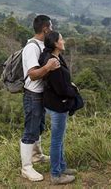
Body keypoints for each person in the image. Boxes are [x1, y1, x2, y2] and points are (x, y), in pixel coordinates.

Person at [20, 15, 60, 182]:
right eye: (50, 27)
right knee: (30, 129)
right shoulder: (32, 48)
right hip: (32, 95)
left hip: (41, 94)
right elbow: (33, 74)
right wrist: (48, 66)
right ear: (45, 28)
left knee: (39, 126)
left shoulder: (42, 45)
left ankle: (37, 155)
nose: (52, 29)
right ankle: (26, 167)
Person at [39, 31, 78, 185]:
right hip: (58, 105)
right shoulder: (53, 63)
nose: (64, 41)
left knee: (59, 139)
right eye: (61, 39)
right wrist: (73, 90)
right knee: (56, 140)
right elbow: (61, 89)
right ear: (55, 43)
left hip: (51, 103)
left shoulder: (52, 57)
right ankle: (56, 175)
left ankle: (61, 167)